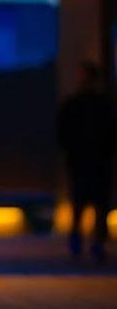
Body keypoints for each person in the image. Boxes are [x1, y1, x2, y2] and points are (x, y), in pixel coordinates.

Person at [57, 61, 114, 263]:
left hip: (87, 161)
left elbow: (62, 133)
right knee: (91, 204)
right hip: (92, 161)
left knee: (86, 204)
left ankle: (82, 241)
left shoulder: (79, 105)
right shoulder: (101, 105)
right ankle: (88, 242)